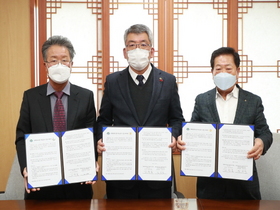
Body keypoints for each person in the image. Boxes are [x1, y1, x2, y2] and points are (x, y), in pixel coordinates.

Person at [96, 24, 184, 199]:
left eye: (143, 44)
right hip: (121, 172)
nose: (138, 49)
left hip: (157, 170)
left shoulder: (167, 81)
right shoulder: (113, 81)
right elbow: (103, 120)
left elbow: (177, 119)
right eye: (132, 45)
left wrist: (173, 135)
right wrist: (100, 138)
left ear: (151, 51)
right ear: (125, 51)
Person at [177, 47, 273, 200]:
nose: (223, 73)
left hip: (244, 183)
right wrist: (184, 139)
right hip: (210, 184)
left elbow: (265, 132)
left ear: (237, 71)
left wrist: (261, 142)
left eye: (228, 69)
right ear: (212, 72)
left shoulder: (253, 101)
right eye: (218, 69)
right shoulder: (202, 100)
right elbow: (193, 131)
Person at [15, 35, 97, 200]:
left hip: (78, 186)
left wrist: (91, 163)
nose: (59, 65)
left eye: (64, 60)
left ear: (71, 64)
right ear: (45, 65)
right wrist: (25, 168)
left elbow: (92, 135)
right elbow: (21, 137)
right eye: (53, 60)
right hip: (41, 185)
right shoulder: (31, 97)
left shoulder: (85, 96)